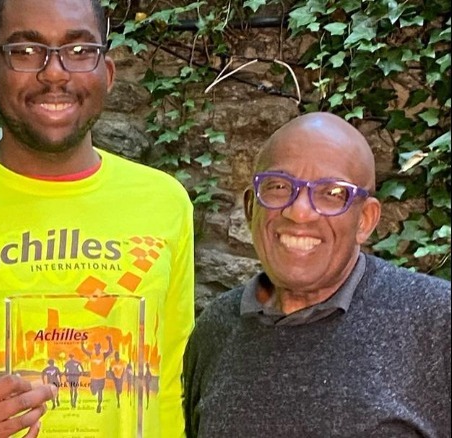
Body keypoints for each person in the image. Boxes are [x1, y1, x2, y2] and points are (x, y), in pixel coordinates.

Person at [0, 0, 195, 436]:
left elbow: (172, 388)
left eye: (79, 49)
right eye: (25, 51)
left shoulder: (166, 203)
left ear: (106, 72)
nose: (53, 73)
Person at [182, 112, 451, 437]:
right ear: (251, 207)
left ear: (365, 219)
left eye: (332, 193)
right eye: (279, 186)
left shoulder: (436, 323)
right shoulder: (217, 328)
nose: (299, 212)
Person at [82, 336, 113, 413]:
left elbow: (110, 350)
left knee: (100, 391)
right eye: (95, 347)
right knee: (93, 392)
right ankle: (93, 390)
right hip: (93, 378)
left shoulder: (103, 355)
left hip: (101, 377)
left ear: (100, 348)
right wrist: (82, 341)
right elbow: (83, 350)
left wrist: (109, 341)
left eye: (98, 347)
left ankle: (99, 405)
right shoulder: (91, 355)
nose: (96, 349)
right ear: (94, 348)